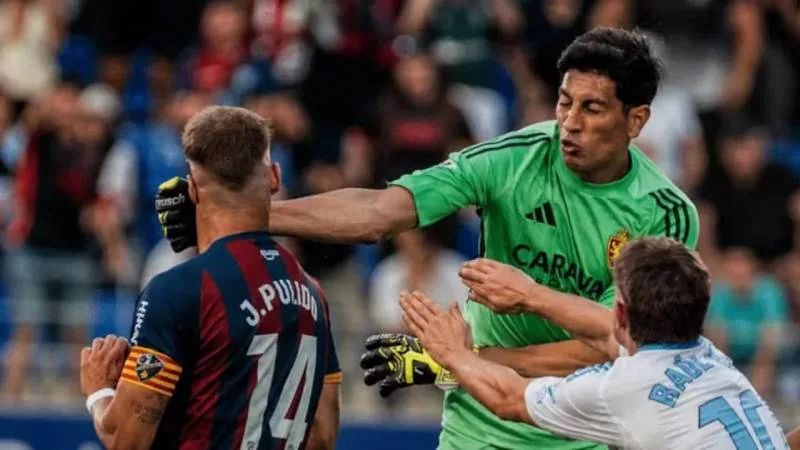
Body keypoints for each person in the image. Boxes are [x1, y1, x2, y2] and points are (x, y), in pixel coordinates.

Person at [156, 28, 699, 449]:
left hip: (582, 431)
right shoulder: (512, 159)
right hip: (478, 427)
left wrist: (460, 358)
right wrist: (244, 214)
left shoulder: (665, 217)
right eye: (563, 102)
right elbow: (379, 212)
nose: (569, 124)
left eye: (592, 108)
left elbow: (614, 347)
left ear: (637, 121)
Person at [79, 106, 341, 450]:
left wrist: (100, 389)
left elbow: (126, 441)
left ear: (193, 190)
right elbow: (322, 437)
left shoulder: (178, 291)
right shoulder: (312, 292)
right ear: (274, 178)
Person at [400, 237, 787, 449]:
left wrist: (451, 353)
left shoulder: (622, 387)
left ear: (621, 313)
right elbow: (605, 333)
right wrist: (531, 295)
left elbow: (508, 399)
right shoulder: (712, 358)